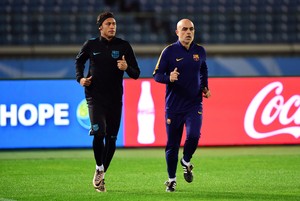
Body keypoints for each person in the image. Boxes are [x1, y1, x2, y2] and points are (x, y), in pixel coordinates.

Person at [75, 11, 140, 192]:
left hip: (115, 98)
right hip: (95, 97)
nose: (112, 27)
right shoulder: (90, 45)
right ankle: (99, 167)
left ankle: (101, 172)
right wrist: (80, 79)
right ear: (100, 27)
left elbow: (136, 73)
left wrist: (127, 68)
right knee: (99, 133)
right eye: (109, 24)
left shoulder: (124, 46)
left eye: (114, 24)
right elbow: (78, 62)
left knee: (112, 139)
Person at [153, 19, 211, 192]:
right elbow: (156, 75)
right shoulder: (169, 51)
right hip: (174, 106)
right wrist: (168, 78)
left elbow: (203, 69)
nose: (188, 32)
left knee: (194, 136)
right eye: (184, 29)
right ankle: (171, 180)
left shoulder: (200, 51)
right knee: (172, 144)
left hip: (194, 103)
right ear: (177, 32)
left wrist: (205, 87)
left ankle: (185, 161)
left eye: (191, 29)